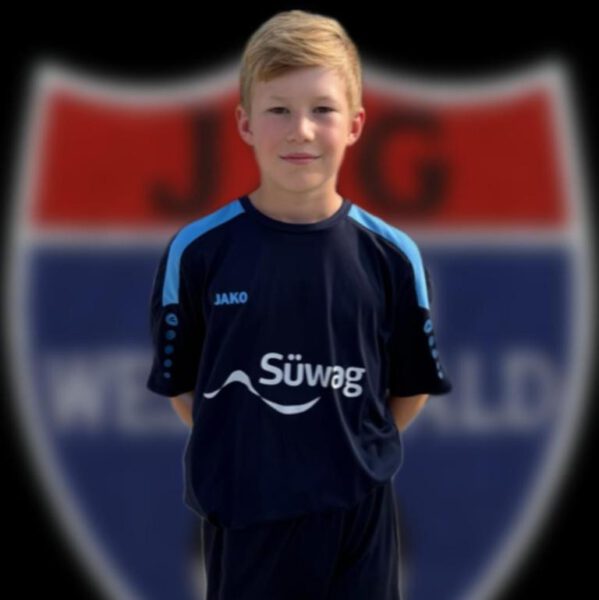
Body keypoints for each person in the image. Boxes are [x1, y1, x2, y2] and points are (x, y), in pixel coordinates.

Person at [146, 9, 453, 600]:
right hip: (246, 516)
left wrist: (346, 452)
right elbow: (185, 387)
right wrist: (255, 450)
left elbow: (408, 388)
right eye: (279, 110)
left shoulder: (392, 256)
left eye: (322, 109)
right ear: (244, 123)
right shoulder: (199, 251)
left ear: (356, 124)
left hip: (358, 520)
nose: (301, 131)